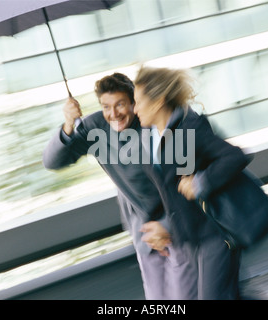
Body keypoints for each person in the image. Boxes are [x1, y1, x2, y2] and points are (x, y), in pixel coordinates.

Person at [42, 73, 194, 299]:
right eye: (106, 106)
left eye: (120, 104)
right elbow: (52, 161)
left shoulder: (154, 121)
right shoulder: (96, 128)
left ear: (134, 103)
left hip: (180, 223)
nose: (114, 114)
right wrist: (68, 125)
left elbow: (186, 180)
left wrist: (167, 225)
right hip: (144, 232)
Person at [133, 66, 251, 299]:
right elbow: (171, 192)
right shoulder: (151, 138)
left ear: (157, 102)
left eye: (138, 102)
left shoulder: (190, 126)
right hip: (189, 237)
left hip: (215, 233)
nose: (134, 109)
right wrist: (165, 226)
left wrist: (200, 182)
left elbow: (234, 157)